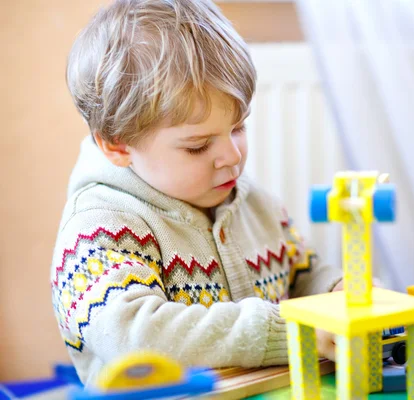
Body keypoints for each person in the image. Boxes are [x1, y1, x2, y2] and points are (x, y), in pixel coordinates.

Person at [50, 0, 343, 385]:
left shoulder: (254, 202)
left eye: (238, 127)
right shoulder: (96, 229)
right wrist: (290, 330)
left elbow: (305, 274)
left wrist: (345, 292)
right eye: (198, 146)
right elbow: (136, 336)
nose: (232, 155)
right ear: (118, 146)